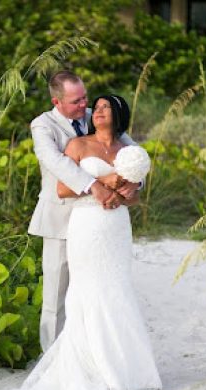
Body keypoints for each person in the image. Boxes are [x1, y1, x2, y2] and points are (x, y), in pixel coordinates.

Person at [0, 94, 161, 390]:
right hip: (86, 225)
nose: (96, 112)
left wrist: (130, 193)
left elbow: (134, 197)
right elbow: (61, 189)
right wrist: (101, 181)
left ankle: (124, 370)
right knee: (85, 293)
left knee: (117, 290)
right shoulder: (78, 145)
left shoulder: (127, 151)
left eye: (104, 108)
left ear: (118, 115)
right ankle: (89, 368)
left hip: (116, 229)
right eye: (94, 107)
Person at [28, 71, 137, 352]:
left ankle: (90, 353)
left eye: (85, 97)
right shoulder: (43, 125)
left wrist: (136, 181)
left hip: (98, 224)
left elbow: (134, 152)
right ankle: (51, 358)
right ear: (57, 101)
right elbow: (55, 162)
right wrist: (94, 185)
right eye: (77, 101)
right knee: (56, 295)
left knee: (93, 291)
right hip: (60, 218)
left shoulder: (96, 115)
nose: (84, 105)